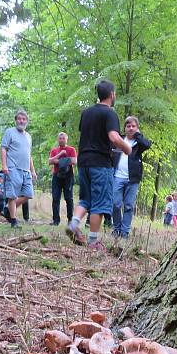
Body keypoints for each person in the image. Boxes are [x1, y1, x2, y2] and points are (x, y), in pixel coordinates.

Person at [66, 80, 131, 249]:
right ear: (111, 95)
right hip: (100, 164)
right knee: (100, 202)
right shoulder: (110, 113)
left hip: (84, 162)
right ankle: (93, 241)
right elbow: (114, 137)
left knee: (86, 198)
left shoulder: (86, 112)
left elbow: (88, 134)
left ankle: (74, 224)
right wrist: (127, 148)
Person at [111, 116, 151, 238]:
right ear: (125, 127)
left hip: (132, 179)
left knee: (128, 206)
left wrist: (138, 135)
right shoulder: (119, 140)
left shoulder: (139, 143)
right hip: (117, 177)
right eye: (128, 126)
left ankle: (125, 232)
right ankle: (116, 229)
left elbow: (147, 144)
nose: (131, 128)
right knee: (116, 204)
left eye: (134, 126)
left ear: (137, 128)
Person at [0, 110, 37, 229]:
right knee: (12, 195)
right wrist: (4, 165)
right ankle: (14, 220)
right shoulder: (10, 132)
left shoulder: (28, 136)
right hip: (12, 168)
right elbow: (3, 149)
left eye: (24, 119)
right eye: (19, 119)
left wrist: (33, 170)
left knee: (28, 194)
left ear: (27, 121)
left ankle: (8, 209)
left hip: (26, 170)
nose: (21, 121)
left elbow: (29, 154)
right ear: (16, 120)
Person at [48, 132, 77, 226]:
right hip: (56, 175)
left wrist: (57, 161)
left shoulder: (71, 149)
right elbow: (50, 161)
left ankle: (70, 220)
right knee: (55, 198)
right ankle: (56, 221)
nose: (61, 140)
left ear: (66, 139)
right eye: (60, 138)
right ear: (58, 139)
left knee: (69, 198)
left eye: (63, 138)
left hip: (68, 176)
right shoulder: (54, 150)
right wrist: (61, 155)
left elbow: (74, 161)